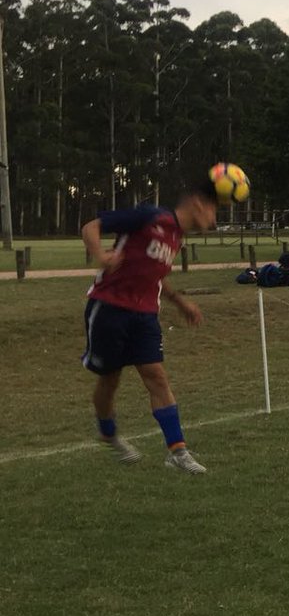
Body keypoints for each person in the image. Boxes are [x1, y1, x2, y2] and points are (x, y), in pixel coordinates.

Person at [80, 177, 218, 474]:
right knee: (109, 379)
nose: (214, 219)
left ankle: (177, 451)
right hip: (109, 308)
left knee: (156, 376)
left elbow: (153, 275)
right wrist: (101, 255)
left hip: (144, 315)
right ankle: (107, 431)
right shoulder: (149, 217)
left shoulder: (177, 237)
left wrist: (181, 303)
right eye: (213, 211)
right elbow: (90, 227)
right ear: (197, 204)